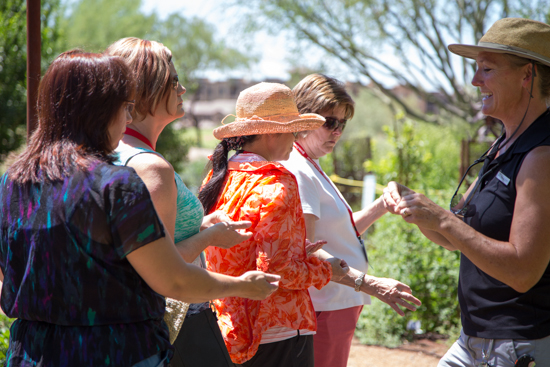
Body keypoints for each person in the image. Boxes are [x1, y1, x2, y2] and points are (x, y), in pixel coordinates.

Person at [0, 50, 279, 367]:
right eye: (125, 108)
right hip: (115, 353)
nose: (129, 119)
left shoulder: (11, 182)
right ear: (100, 111)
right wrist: (245, 285)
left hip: (30, 354)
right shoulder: (116, 185)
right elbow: (173, 281)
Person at [383, 18, 550, 367]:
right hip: (474, 343)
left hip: (519, 349)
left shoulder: (542, 154)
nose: (475, 80)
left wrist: (442, 219)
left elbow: (523, 272)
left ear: (527, 76)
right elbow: (456, 235)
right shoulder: (504, 144)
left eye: (486, 69)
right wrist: (414, 207)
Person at [105, 37, 248, 367]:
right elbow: (156, 266)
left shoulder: (120, 151)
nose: (183, 89)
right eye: (174, 81)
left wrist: (199, 225)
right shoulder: (145, 165)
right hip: (176, 318)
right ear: (145, 90)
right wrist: (209, 238)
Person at [198, 82, 350, 367]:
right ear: (271, 133)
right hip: (276, 330)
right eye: (292, 129)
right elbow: (278, 273)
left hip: (228, 323)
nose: (296, 137)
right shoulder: (277, 182)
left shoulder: (219, 176)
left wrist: (297, 248)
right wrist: (325, 270)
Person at [281, 73, 422, 367]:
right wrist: (369, 283)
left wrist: (383, 204)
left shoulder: (309, 163)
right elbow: (304, 248)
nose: (337, 131)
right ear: (303, 119)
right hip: (326, 304)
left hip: (337, 300)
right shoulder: (299, 169)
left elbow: (339, 232)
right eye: (329, 122)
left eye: (342, 123)